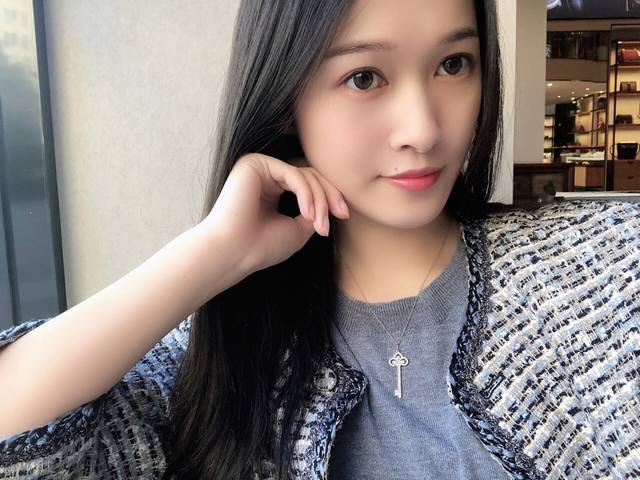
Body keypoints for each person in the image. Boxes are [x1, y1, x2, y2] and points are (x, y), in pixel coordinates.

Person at [1, 0, 639, 478]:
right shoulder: (229, 354)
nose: (423, 128)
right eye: (364, 77)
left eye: (453, 64)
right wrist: (213, 253)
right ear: (286, 97)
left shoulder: (604, 265)